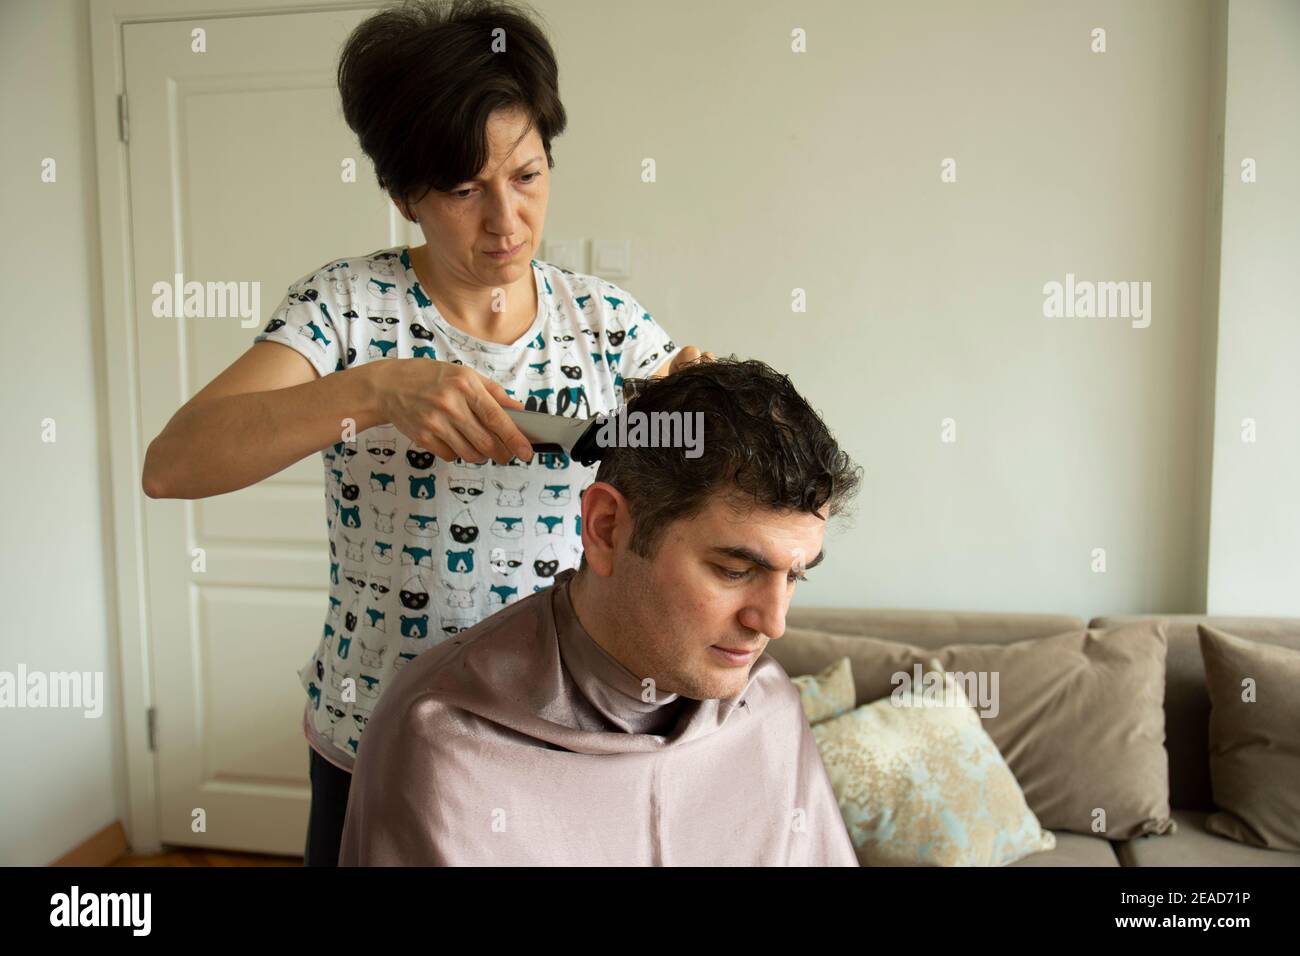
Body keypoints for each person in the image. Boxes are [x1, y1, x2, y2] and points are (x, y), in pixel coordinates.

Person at [140, 0, 713, 866]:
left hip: (561, 738)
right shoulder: (344, 308)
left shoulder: (607, 323)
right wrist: (371, 393)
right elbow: (173, 463)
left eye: (526, 176)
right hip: (377, 732)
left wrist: (702, 421)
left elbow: (696, 475)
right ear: (406, 194)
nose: (506, 221)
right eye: (462, 189)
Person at [338, 358, 864, 865]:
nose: (773, 624)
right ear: (607, 528)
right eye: (734, 570)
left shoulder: (767, 702)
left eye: (795, 575)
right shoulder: (445, 733)